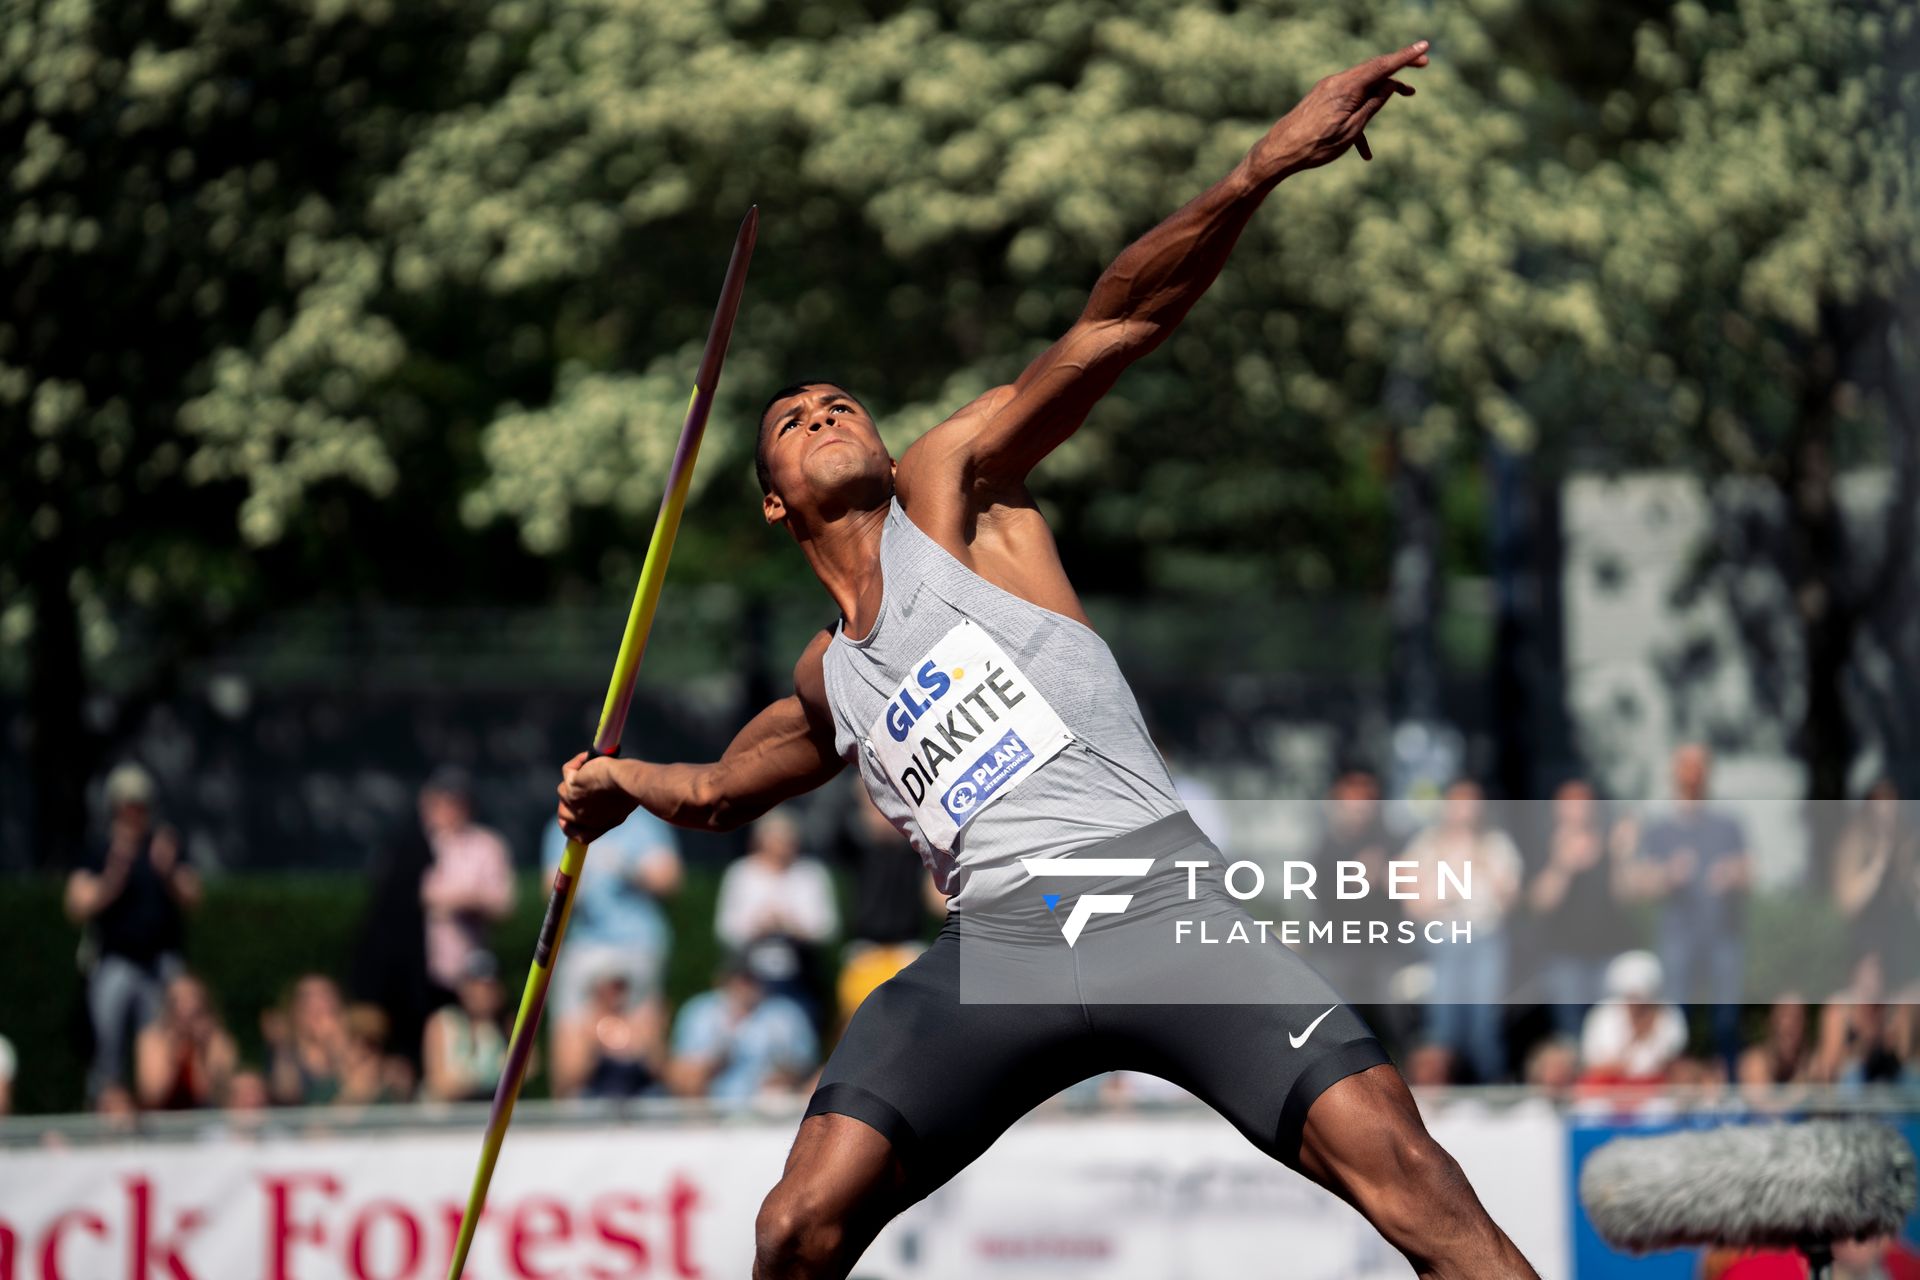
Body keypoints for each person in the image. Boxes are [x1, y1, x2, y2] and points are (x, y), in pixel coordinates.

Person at [557, 39, 1537, 1279]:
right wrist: (615, 781)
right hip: (998, 950)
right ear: (774, 502)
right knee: (794, 1227)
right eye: (793, 420)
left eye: (840, 401)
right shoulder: (829, 678)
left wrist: (1259, 170)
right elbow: (712, 791)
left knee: (1412, 1182)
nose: (824, 412)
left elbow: (1119, 319)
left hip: (1158, 898)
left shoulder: (951, 493)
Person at [65, 762, 201, 1101]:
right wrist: (112, 878)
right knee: (106, 1042)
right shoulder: (99, 849)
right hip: (115, 961)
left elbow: (193, 897)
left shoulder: (163, 847)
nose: (134, 812)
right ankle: (106, 1106)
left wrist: (168, 871)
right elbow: (76, 905)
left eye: (139, 804)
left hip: (160, 962)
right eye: (128, 804)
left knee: (163, 1042)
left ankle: (155, 1108)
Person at [1628, 743, 1750, 1069]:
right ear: (1675, 773)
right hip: (1677, 938)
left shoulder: (1727, 824)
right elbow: (1638, 883)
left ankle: (1728, 1085)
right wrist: (1668, 875)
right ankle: (1678, 1087)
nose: (1693, 775)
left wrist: (1732, 874)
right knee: (1675, 1023)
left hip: (1723, 937)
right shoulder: (1660, 827)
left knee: (1726, 1021)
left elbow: (1748, 872)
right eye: (1687, 766)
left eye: (1699, 767)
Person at [1402, 779, 1523, 1083]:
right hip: (1441, 939)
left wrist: (1480, 858)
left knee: (1485, 1022)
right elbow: (1410, 901)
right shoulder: (1425, 844)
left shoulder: (1496, 844)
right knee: (1443, 1024)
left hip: (1486, 938)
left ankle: (1491, 1086)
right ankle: (1443, 1093)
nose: (1465, 809)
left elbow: (1510, 898)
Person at [542, 801, 682, 1022]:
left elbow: (670, 881)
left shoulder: (643, 823)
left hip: (639, 944)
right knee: (571, 1022)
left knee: (642, 1024)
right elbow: (550, 894)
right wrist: (577, 884)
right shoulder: (563, 825)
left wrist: (631, 870)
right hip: (584, 944)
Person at [1527, 779, 1632, 1035]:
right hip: (1564, 957)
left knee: (1610, 1032)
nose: (1578, 808)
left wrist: (1620, 858)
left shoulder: (1610, 841)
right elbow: (1540, 903)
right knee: (1571, 1031)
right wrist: (1562, 864)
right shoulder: (1542, 843)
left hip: (1608, 954)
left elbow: (1625, 898)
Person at [716, 811, 840, 1016]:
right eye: (778, 840)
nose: (783, 846)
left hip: (800, 975)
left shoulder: (812, 874)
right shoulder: (740, 873)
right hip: (749, 975)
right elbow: (726, 930)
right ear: (761, 841)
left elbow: (827, 928)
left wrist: (792, 927)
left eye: (788, 840)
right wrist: (758, 927)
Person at [665, 956, 819, 1102]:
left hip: (769, 1102)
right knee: (692, 1077)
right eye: (740, 979)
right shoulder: (700, 1010)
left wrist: (782, 1076)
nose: (745, 986)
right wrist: (712, 1064)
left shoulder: (785, 1013)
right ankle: (698, 1119)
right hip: (709, 1100)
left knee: (781, 1093)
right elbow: (682, 1068)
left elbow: (805, 1066)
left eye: (752, 979)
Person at [418, 768, 516, 995]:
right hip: (419, 969)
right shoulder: (416, 845)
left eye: (455, 802)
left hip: (471, 969)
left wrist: (468, 901)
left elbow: (504, 904)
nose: (448, 809)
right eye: (441, 801)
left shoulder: (487, 845)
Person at [1831, 778, 1919, 997]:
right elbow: (1848, 904)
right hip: (1867, 950)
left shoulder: (1907, 840)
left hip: (1901, 948)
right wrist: (1878, 864)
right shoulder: (1853, 841)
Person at [551, 962, 668, 1100]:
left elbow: (662, 1073)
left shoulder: (641, 1024)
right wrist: (593, 1046)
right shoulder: (577, 1026)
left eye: (621, 987)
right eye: (612, 986)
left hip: (639, 1099)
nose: (616, 993)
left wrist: (645, 1045)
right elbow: (565, 1082)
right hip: (593, 1099)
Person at [1576, 951, 1688, 1086]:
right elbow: (1594, 1067)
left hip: (1655, 1088)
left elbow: (1673, 1066)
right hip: (1610, 1088)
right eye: (1631, 997)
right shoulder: (1603, 1015)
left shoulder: (1668, 1015)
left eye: (1641, 998)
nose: (1636, 1004)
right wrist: (1634, 1040)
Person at [133, 972, 239, 1110]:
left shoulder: (218, 1040)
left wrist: (202, 1051)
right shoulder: (151, 1039)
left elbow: (212, 1097)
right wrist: (173, 1052)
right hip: (162, 1118)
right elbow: (152, 1096)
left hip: (203, 1117)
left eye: (191, 997)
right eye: (177, 999)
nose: (185, 1006)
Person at [422, 951, 509, 1103]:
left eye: (489, 986)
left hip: (490, 1112)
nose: (481, 992)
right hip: (447, 1116)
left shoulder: (506, 1028)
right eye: (474, 984)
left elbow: (529, 1070)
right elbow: (440, 1085)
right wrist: (492, 1075)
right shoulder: (442, 1022)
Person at [265, 973, 350, 1107]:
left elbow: (362, 1085)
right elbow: (285, 1094)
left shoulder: (355, 1042)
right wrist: (283, 1044)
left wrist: (335, 1042)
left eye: (324, 995)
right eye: (307, 998)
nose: (316, 1003)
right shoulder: (286, 1048)